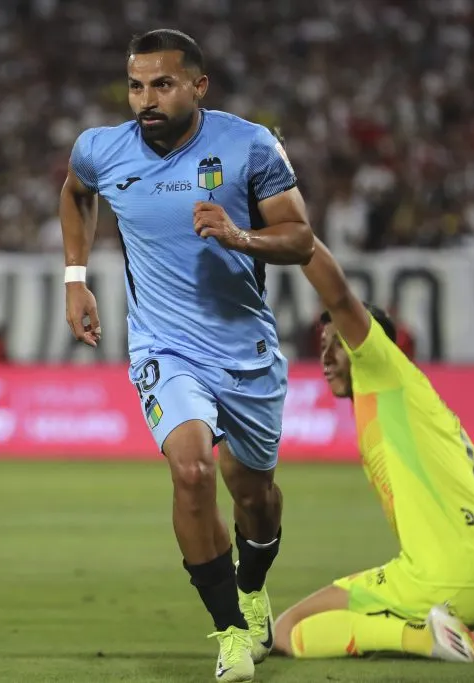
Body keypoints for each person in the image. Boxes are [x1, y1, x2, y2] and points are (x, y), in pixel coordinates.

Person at [58, 29, 315, 683]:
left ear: (198, 85)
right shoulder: (102, 148)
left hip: (245, 348)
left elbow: (301, 238)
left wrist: (240, 234)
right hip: (164, 347)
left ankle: (254, 588)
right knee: (193, 470)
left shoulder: (250, 144)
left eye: (162, 84)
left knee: (254, 495)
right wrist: (75, 277)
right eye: (137, 85)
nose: (146, 98)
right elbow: (75, 189)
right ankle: (230, 630)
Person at [271, 240, 474, 663]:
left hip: (452, 578)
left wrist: (294, 234)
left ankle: (425, 637)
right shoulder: (415, 405)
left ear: (367, 343)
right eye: (321, 346)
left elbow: (338, 293)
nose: (325, 357)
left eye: (337, 343)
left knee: (286, 631)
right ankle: (436, 626)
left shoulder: (383, 369)